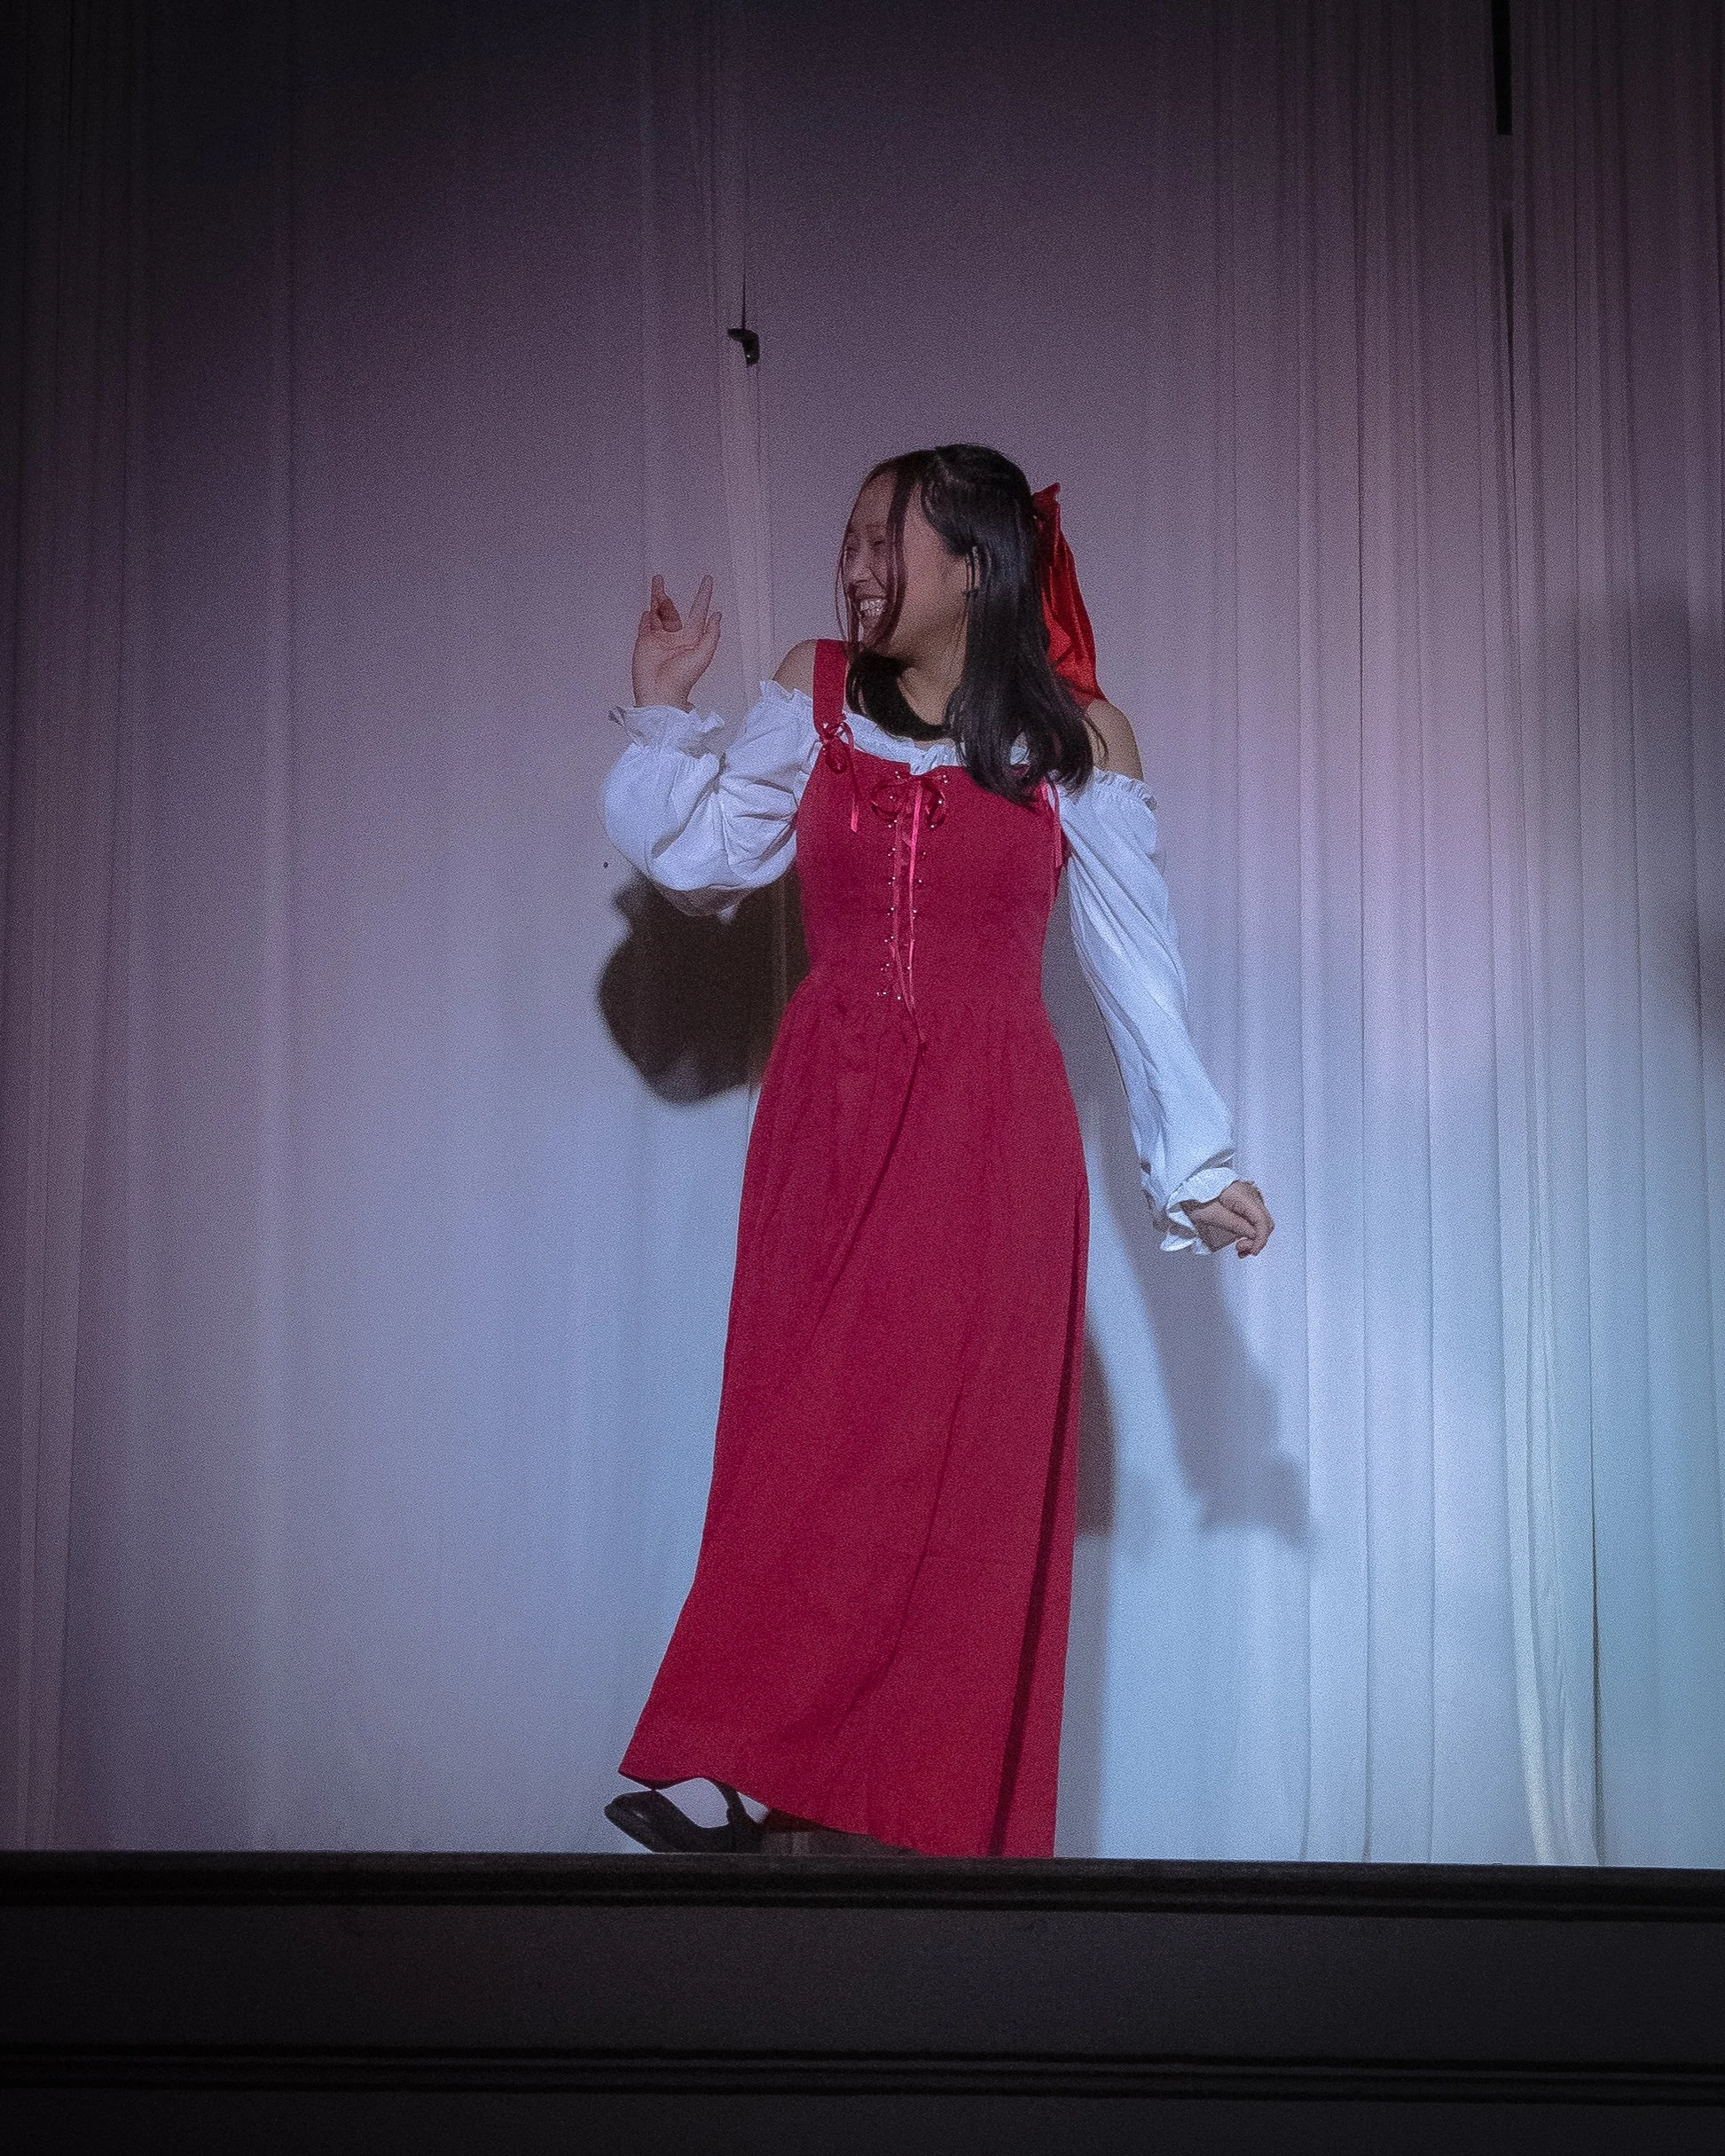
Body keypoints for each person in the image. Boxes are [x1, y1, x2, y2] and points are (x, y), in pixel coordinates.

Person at [600, 444, 1274, 1859]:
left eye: (877, 537)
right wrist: (665, 719)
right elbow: (710, 853)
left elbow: (1139, 972)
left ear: (970, 561)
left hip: (988, 1143)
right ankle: (749, 1760)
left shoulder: (1077, 740)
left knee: (946, 1479)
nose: (850, 562)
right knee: (804, 1447)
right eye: (844, 535)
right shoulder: (816, 691)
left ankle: (921, 1815)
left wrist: (1196, 1167)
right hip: (828, 1127)